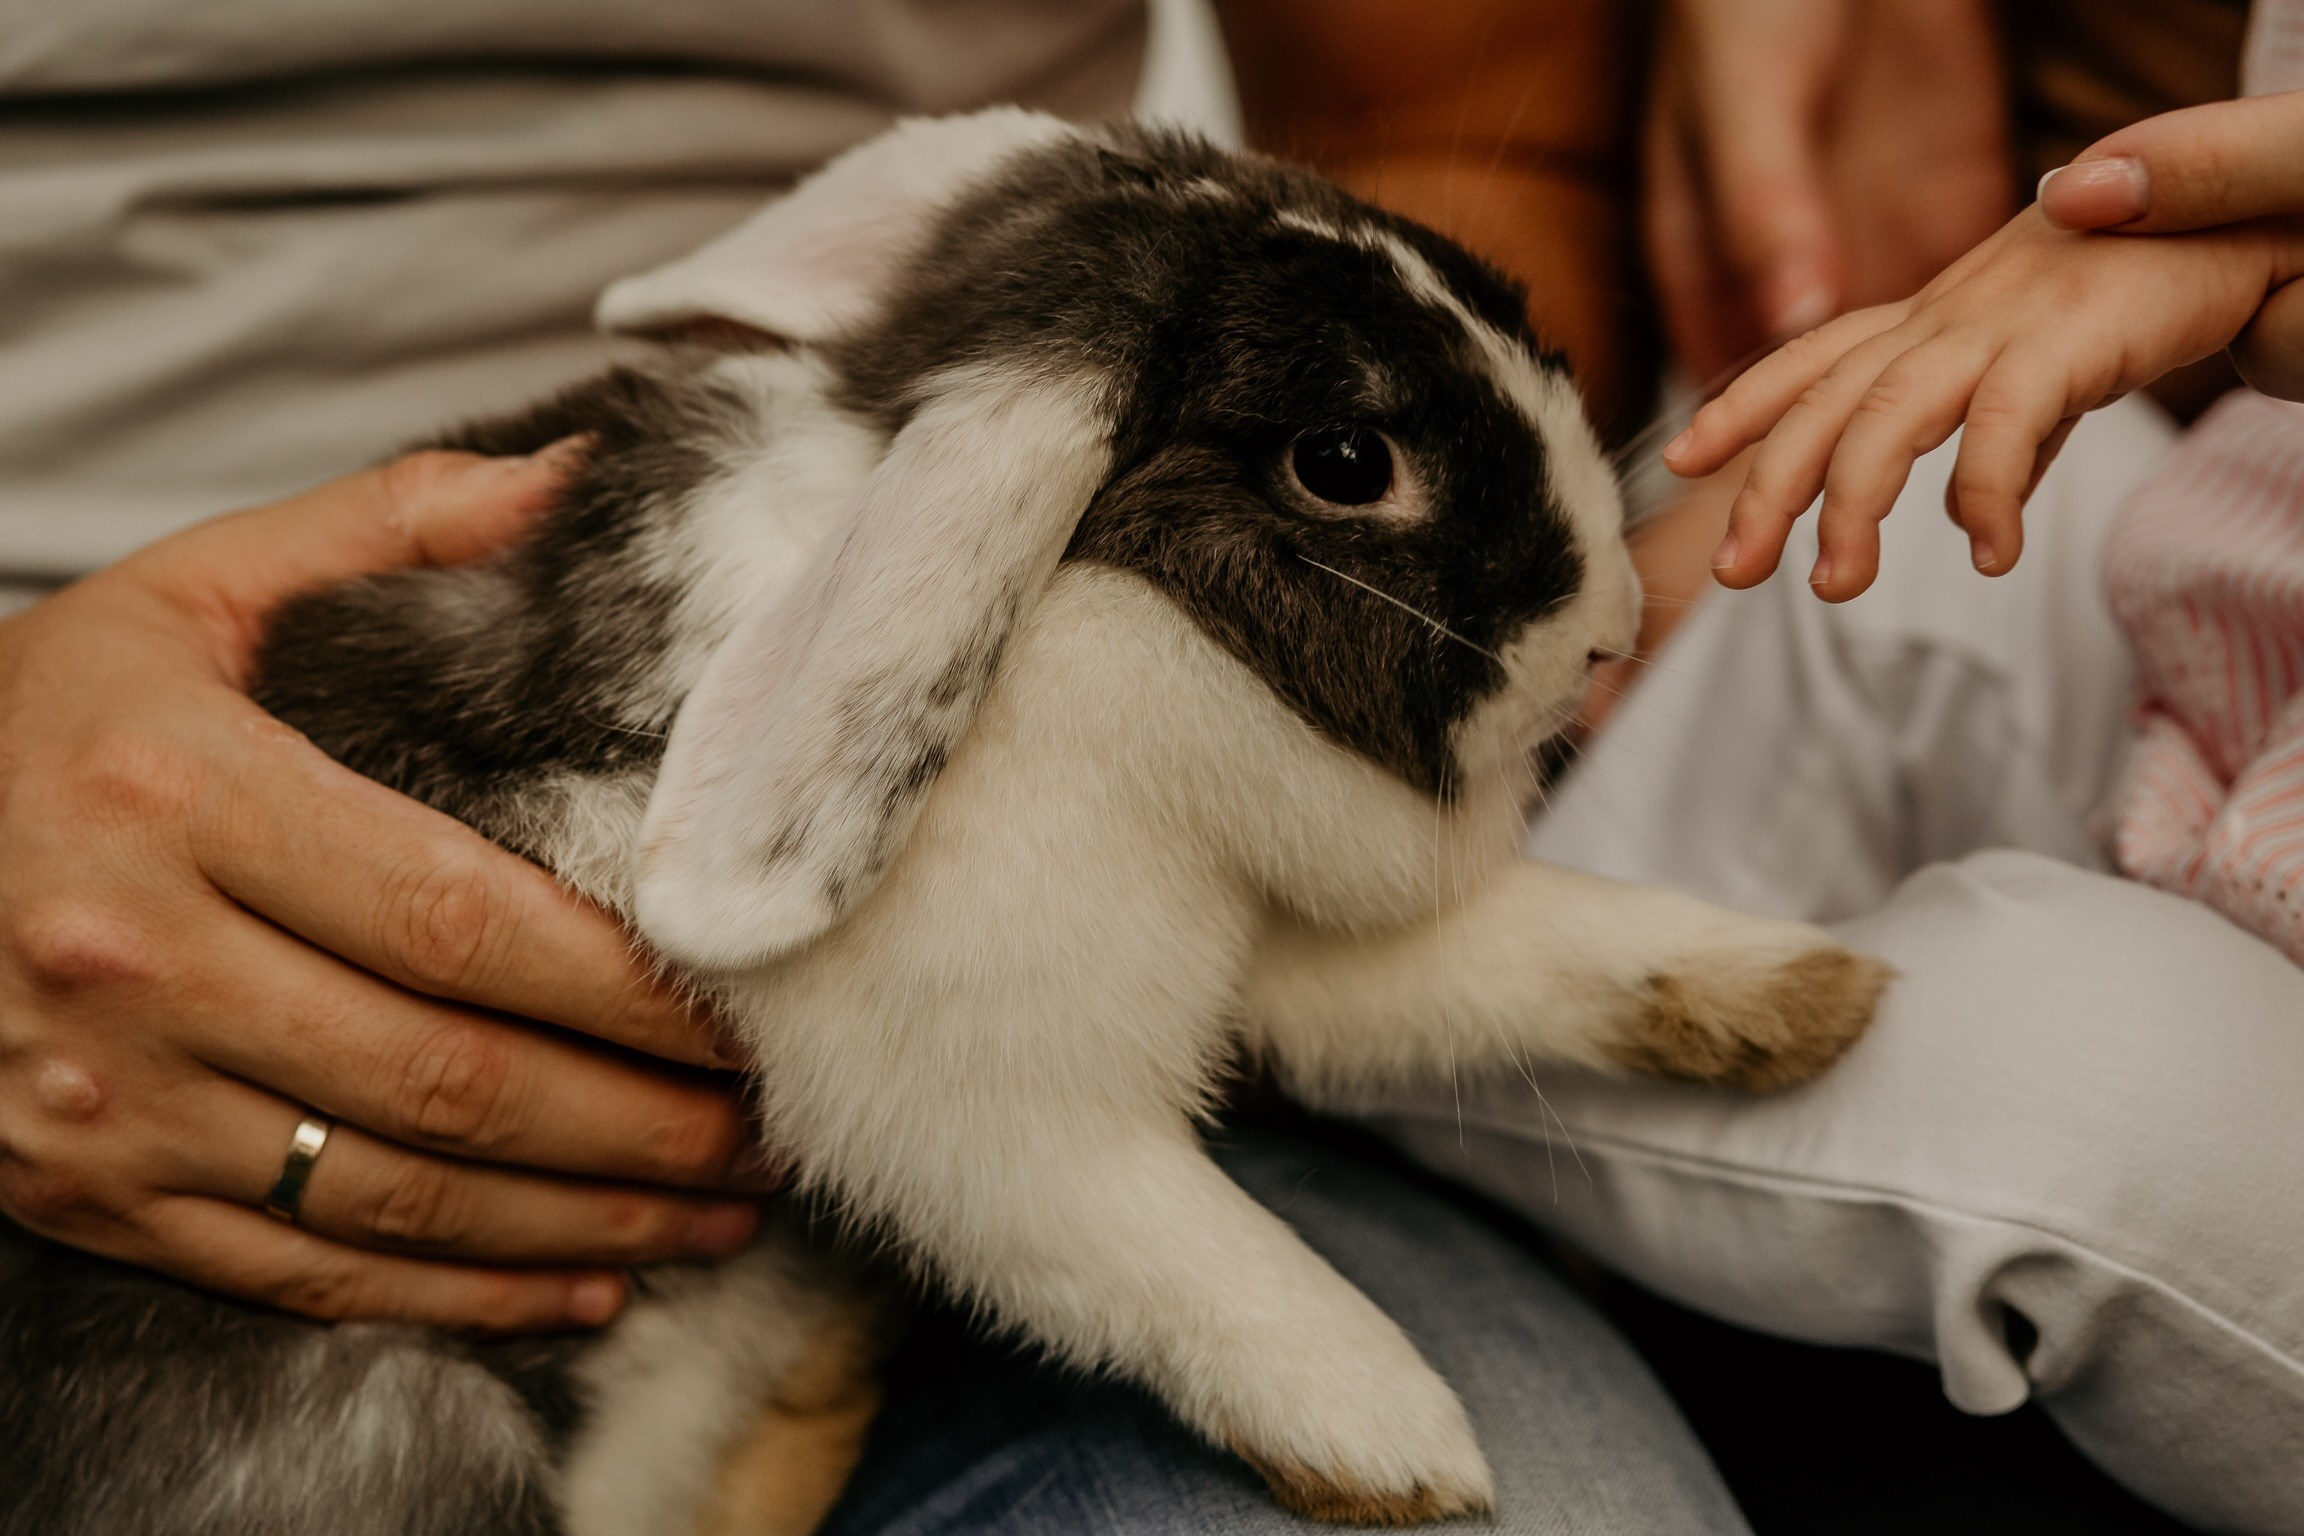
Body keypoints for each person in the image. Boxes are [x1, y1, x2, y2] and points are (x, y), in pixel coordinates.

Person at [0, 3, 1761, 1532]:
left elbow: (1417, 133)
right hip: (110, 994)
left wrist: (1253, 736)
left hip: (1031, 676)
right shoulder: (886, 612)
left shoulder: (1080, 369)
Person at [1352, 7, 2304, 1534]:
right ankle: (1459, 887)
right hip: (2247, 646)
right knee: (1917, 504)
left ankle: (1317, 1034)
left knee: (2071, 1080)